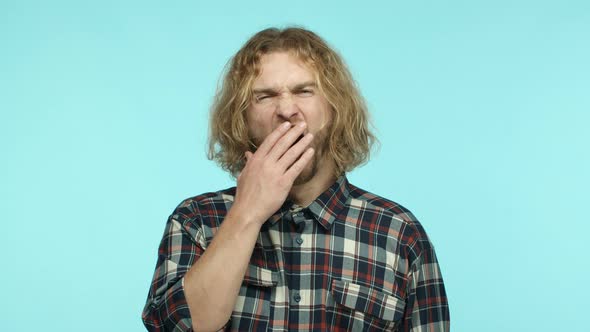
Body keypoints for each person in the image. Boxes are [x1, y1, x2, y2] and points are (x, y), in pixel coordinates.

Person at [142, 27, 450, 332]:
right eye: (265, 96)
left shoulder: (398, 233)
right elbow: (175, 327)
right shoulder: (196, 220)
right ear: (242, 118)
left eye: (304, 91)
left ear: (335, 107)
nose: (287, 110)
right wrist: (247, 213)